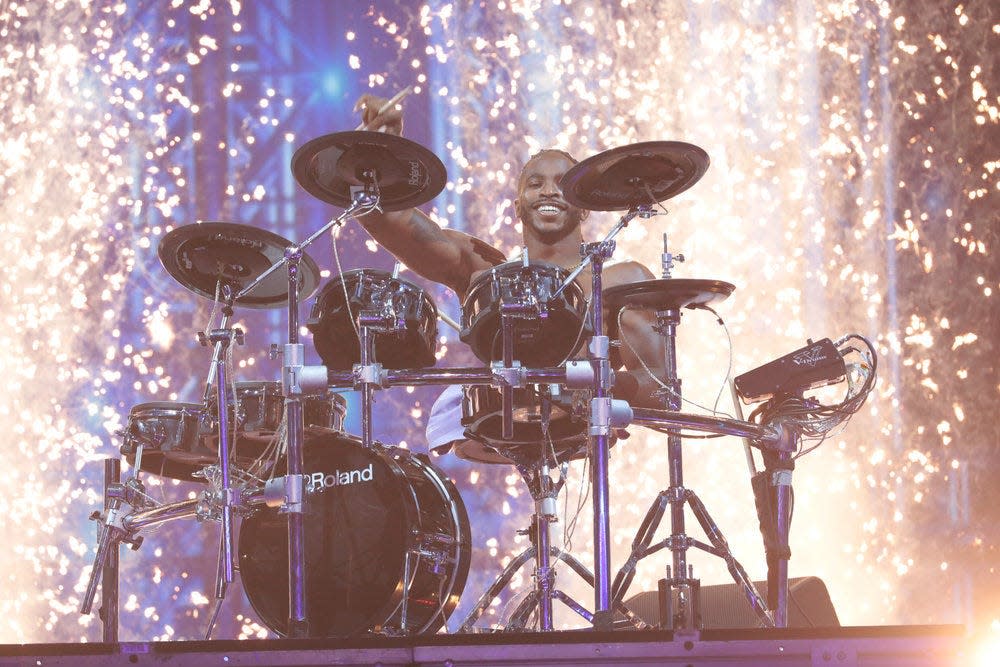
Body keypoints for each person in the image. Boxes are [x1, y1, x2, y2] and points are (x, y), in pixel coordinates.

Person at [352, 93, 669, 415]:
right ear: (517, 206)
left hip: (591, 443)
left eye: (562, 183)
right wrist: (377, 155)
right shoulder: (487, 276)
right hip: (506, 439)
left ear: (584, 208)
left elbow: (662, 389)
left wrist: (590, 387)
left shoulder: (621, 280)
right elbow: (386, 218)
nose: (549, 191)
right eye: (535, 184)